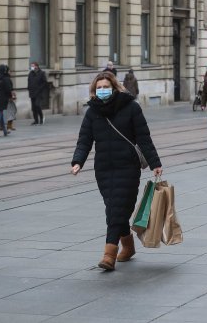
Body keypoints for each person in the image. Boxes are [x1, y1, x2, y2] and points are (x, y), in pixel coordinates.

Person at [71, 72, 162, 271]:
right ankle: (128, 247)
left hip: (127, 167)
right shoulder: (92, 112)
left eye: (106, 86)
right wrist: (78, 161)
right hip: (104, 169)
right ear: (94, 91)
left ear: (114, 87)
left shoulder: (131, 108)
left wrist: (155, 162)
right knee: (114, 209)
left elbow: (144, 138)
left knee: (117, 210)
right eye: (99, 88)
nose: (102, 90)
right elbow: (84, 139)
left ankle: (109, 254)